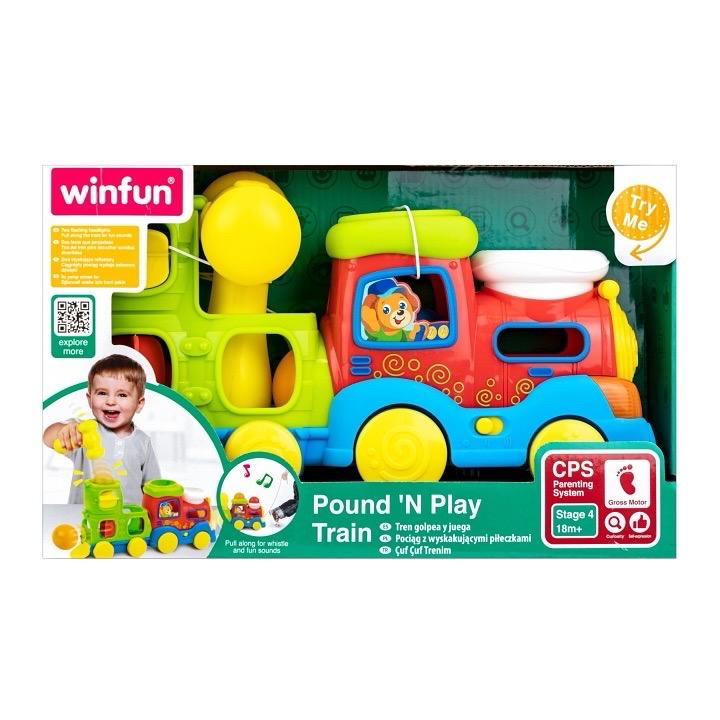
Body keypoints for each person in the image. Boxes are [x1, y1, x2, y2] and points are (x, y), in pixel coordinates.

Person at [43, 354, 161, 504]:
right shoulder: (84, 432)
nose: (110, 401)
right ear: (90, 399)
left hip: (130, 516)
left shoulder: (143, 441)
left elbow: (152, 486)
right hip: (85, 515)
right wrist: (65, 430)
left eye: (122, 395)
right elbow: (48, 437)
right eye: (102, 393)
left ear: (139, 404)